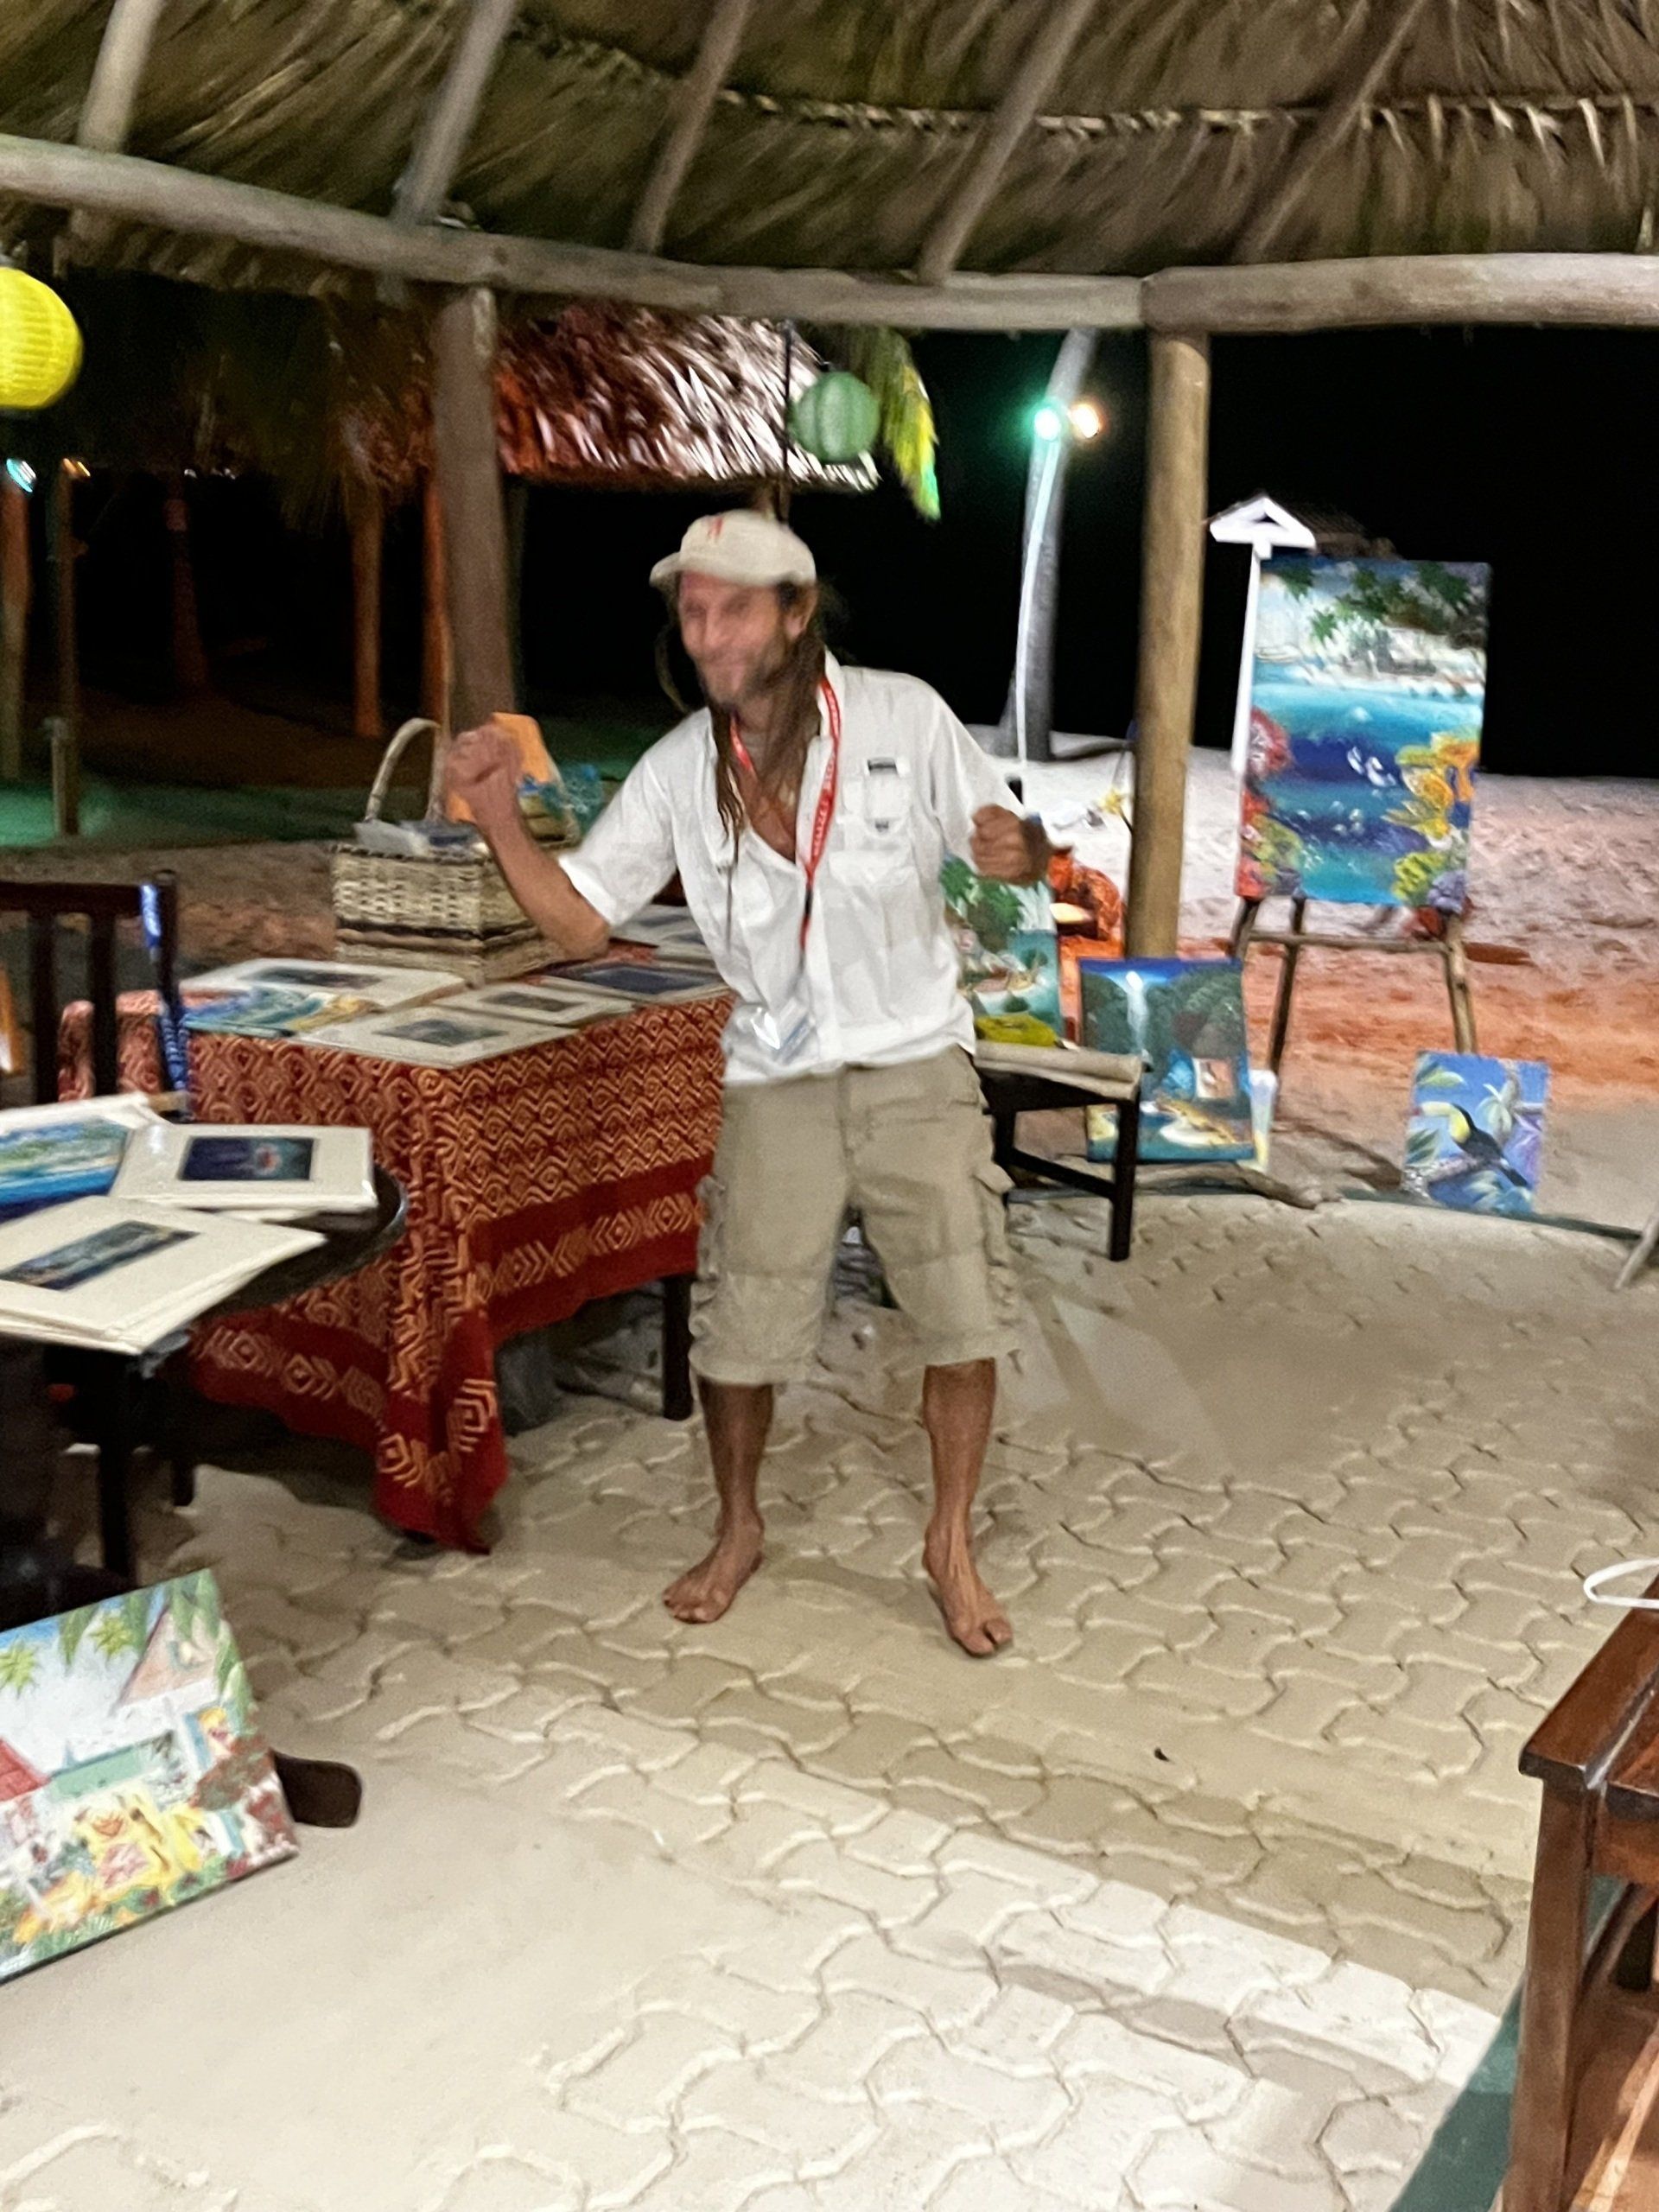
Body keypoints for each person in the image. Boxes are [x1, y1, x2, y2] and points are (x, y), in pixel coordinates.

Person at [446, 510, 1050, 1656]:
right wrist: (493, 818)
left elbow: (1001, 839)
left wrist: (1022, 849)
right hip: (775, 1075)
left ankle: (951, 1543)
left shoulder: (901, 716)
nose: (710, 631)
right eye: (692, 607)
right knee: (736, 1337)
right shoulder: (681, 770)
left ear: (797, 611)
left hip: (917, 1059)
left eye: (734, 605)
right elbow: (578, 920)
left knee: (961, 1316)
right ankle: (738, 1528)